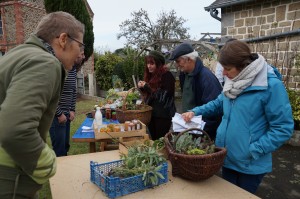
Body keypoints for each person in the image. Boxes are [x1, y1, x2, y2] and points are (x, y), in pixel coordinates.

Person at [181, 40, 294, 193]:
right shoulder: (233, 82)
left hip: (250, 164)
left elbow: (283, 128)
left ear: (243, 66)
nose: (224, 74)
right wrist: (195, 111)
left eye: (227, 69)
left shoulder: (270, 86)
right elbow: (218, 103)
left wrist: (254, 149)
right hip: (227, 157)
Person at [0, 11, 85, 198]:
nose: (80, 52)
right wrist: (48, 163)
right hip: (9, 180)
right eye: (80, 45)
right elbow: (16, 130)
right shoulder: (44, 62)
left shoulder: (19, 54)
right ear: (63, 39)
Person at [169, 43, 222, 140]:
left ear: (189, 59)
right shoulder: (184, 75)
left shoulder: (207, 78)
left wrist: (202, 133)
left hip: (201, 133)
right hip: (189, 128)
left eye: (178, 61)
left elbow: (215, 110)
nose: (176, 65)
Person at [50, 49, 85, 157]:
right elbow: (50, 93)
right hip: (56, 117)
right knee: (59, 151)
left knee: (65, 147)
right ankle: (60, 173)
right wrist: (59, 113)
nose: (83, 57)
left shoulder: (73, 68)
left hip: (67, 115)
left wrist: (72, 110)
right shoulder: (59, 66)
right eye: (82, 54)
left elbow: (73, 90)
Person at [138, 50, 176, 140]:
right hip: (152, 114)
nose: (149, 66)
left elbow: (164, 97)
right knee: (154, 140)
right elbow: (151, 96)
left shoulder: (167, 76)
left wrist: (147, 87)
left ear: (159, 64)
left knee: (161, 140)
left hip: (163, 116)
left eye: (152, 63)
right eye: (148, 63)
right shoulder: (152, 76)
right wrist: (142, 88)